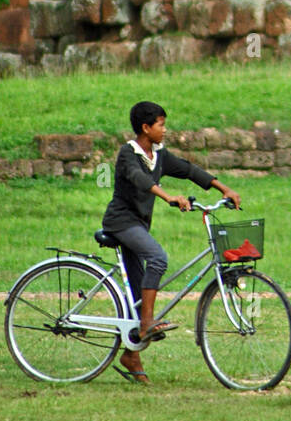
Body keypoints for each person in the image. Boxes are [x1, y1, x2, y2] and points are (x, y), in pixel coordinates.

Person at [101, 100, 241, 384]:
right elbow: (139, 179)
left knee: (139, 292)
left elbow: (188, 169)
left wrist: (223, 187)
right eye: (161, 124)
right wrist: (168, 197)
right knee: (158, 259)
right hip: (121, 223)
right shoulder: (129, 154)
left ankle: (132, 354)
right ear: (146, 127)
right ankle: (147, 324)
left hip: (138, 226)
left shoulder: (159, 155)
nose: (165, 130)